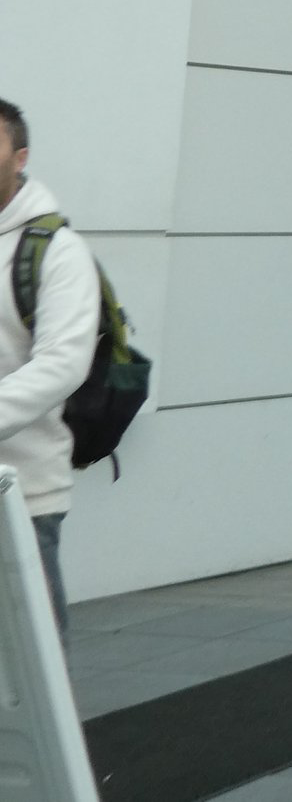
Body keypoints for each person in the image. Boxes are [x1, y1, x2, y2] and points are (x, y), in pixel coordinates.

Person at [0, 99, 101, 639]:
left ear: (20, 157)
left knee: (32, 679)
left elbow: (62, 364)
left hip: (21, 496)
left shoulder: (56, 250)